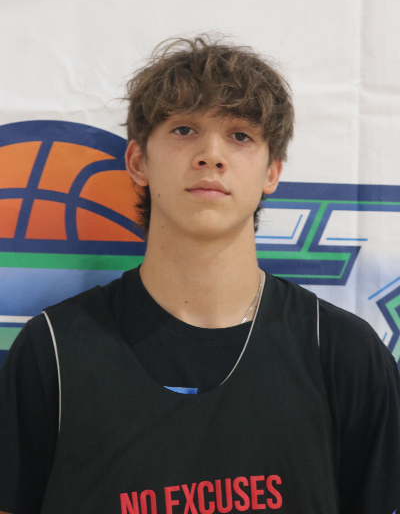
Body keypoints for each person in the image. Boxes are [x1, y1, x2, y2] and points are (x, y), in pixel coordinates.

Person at [0, 35, 399, 514]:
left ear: (272, 173)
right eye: (184, 129)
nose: (211, 155)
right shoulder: (52, 352)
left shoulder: (343, 354)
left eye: (240, 135)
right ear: (138, 162)